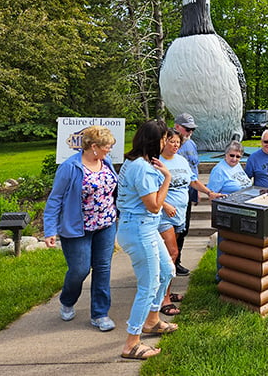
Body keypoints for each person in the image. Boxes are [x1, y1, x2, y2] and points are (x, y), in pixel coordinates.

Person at [43, 126, 118, 332]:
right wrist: (50, 230)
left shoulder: (106, 162)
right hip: (77, 228)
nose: (109, 150)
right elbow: (55, 199)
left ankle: (100, 314)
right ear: (93, 146)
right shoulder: (71, 167)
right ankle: (67, 300)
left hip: (106, 225)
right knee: (80, 270)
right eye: (106, 146)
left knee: (103, 269)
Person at [117, 120, 177, 360]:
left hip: (144, 228)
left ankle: (152, 321)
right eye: (164, 138)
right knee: (148, 285)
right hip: (140, 229)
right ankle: (132, 343)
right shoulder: (141, 167)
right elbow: (153, 207)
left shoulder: (137, 162)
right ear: (154, 140)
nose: (166, 142)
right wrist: (167, 179)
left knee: (167, 271)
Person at [157, 128, 221, 314]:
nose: (175, 145)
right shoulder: (157, 162)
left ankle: (166, 291)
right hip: (163, 215)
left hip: (180, 214)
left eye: (178, 142)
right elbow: (150, 190)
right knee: (171, 254)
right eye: (171, 141)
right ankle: (163, 299)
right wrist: (165, 205)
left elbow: (192, 181)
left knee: (172, 257)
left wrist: (209, 192)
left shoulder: (182, 161)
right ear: (163, 142)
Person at [208, 140, 253, 280]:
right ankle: (221, 275)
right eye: (231, 155)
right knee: (225, 245)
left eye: (238, 156)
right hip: (227, 213)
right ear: (225, 155)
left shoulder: (237, 166)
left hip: (241, 211)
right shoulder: (219, 170)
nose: (234, 159)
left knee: (237, 245)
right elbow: (211, 194)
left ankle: (235, 274)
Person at [174, 113, 202, 276]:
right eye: (187, 128)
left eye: (192, 129)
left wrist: (197, 190)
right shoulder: (169, 144)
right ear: (177, 127)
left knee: (184, 228)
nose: (190, 132)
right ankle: (172, 261)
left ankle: (177, 261)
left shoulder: (191, 144)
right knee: (174, 229)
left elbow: (194, 167)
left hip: (189, 191)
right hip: (175, 194)